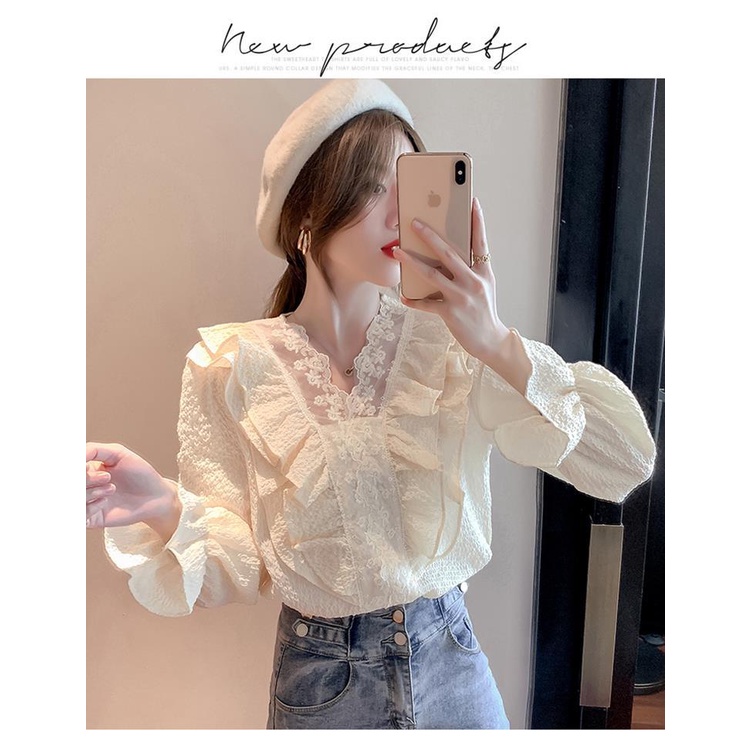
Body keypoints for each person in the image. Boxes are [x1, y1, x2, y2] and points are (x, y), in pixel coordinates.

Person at [86, 79, 656, 730]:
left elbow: (622, 460)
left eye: (410, 187)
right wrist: (163, 507)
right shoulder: (232, 365)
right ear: (306, 213)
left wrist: (495, 340)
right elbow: (238, 565)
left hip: (453, 665)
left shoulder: (451, 342)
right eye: (373, 187)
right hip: (322, 687)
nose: (401, 215)